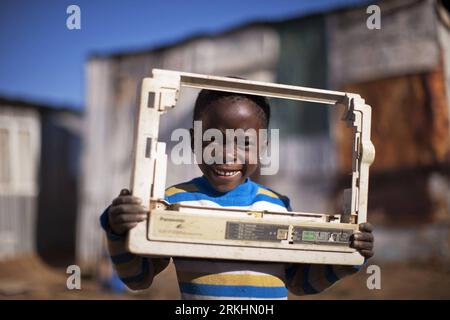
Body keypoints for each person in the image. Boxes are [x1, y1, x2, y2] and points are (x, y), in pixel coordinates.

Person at [100, 89, 374, 299]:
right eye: (213, 139)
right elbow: (138, 279)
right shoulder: (173, 202)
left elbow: (297, 281)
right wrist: (118, 229)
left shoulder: (278, 205)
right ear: (195, 142)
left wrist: (347, 258)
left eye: (244, 142)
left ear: (263, 147)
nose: (227, 153)